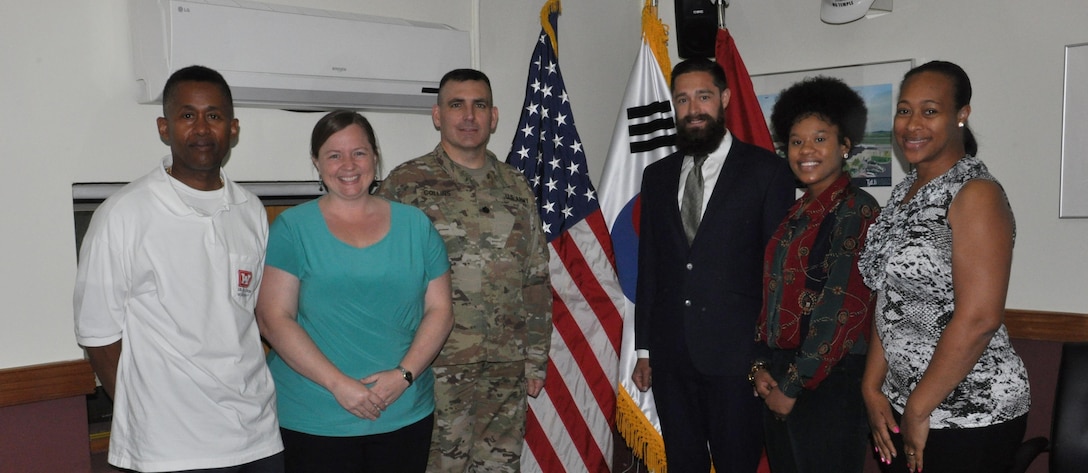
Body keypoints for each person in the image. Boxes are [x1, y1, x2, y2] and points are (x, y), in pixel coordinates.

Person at [73, 65, 284, 472]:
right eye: (187, 115)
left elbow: (249, 317)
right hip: (167, 450)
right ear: (164, 128)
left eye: (214, 116)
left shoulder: (251, 210)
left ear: (233, 128)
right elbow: (98, 337)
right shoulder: (123, 214)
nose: (202, 128)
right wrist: (146, 416)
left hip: (256, 438)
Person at [255, 110, 453, 473]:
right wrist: (339, 385)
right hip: (315, 416)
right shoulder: (292, 228)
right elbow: (273, 318)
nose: (348, 164)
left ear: (375, 157)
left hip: (403, 411)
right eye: (334, 155)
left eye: (359, 153)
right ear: (316, 162)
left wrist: (404, 375)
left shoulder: (416, 226)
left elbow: (440, 310)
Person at [858, 61, 1030, 473]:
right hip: (903, 403)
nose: (912, 124)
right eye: (904, 110)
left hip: (971, 412)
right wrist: (871, 386)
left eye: (930, 111)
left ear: (961, 115)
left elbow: (980, 318)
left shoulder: (975, 193)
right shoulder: (904, 193)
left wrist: (918, 409)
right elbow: (891, 297)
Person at [379, 68, 552, 472]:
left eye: (479, 105)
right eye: (457, 104)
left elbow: (535, 276)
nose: (469, 115)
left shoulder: (516, 185)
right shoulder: (405, 185)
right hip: (435, 367)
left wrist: (535, 358)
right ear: (438, 115)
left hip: (505, 367)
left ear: (494, 116)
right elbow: (383, 278)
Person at [630, 57, 796, 472]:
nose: (693, 109)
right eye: (682, 99)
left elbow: (777, 274)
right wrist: (645, 348)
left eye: (703, 96)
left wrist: (765, 356)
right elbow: (651, 265)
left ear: (723, 98)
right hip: (670, 357)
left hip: (738, 360)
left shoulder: (767, 172)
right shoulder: (657, 176)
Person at [750, 76, 880, 473]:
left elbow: (842, 309)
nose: (806, 150)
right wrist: (759, 367)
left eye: (820, 139)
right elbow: (770, 297)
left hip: (828, 383)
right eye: (796, 140)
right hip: (781, 373)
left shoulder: (856, 210)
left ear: (844, 146)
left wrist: (792, 386)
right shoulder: (797, 212)